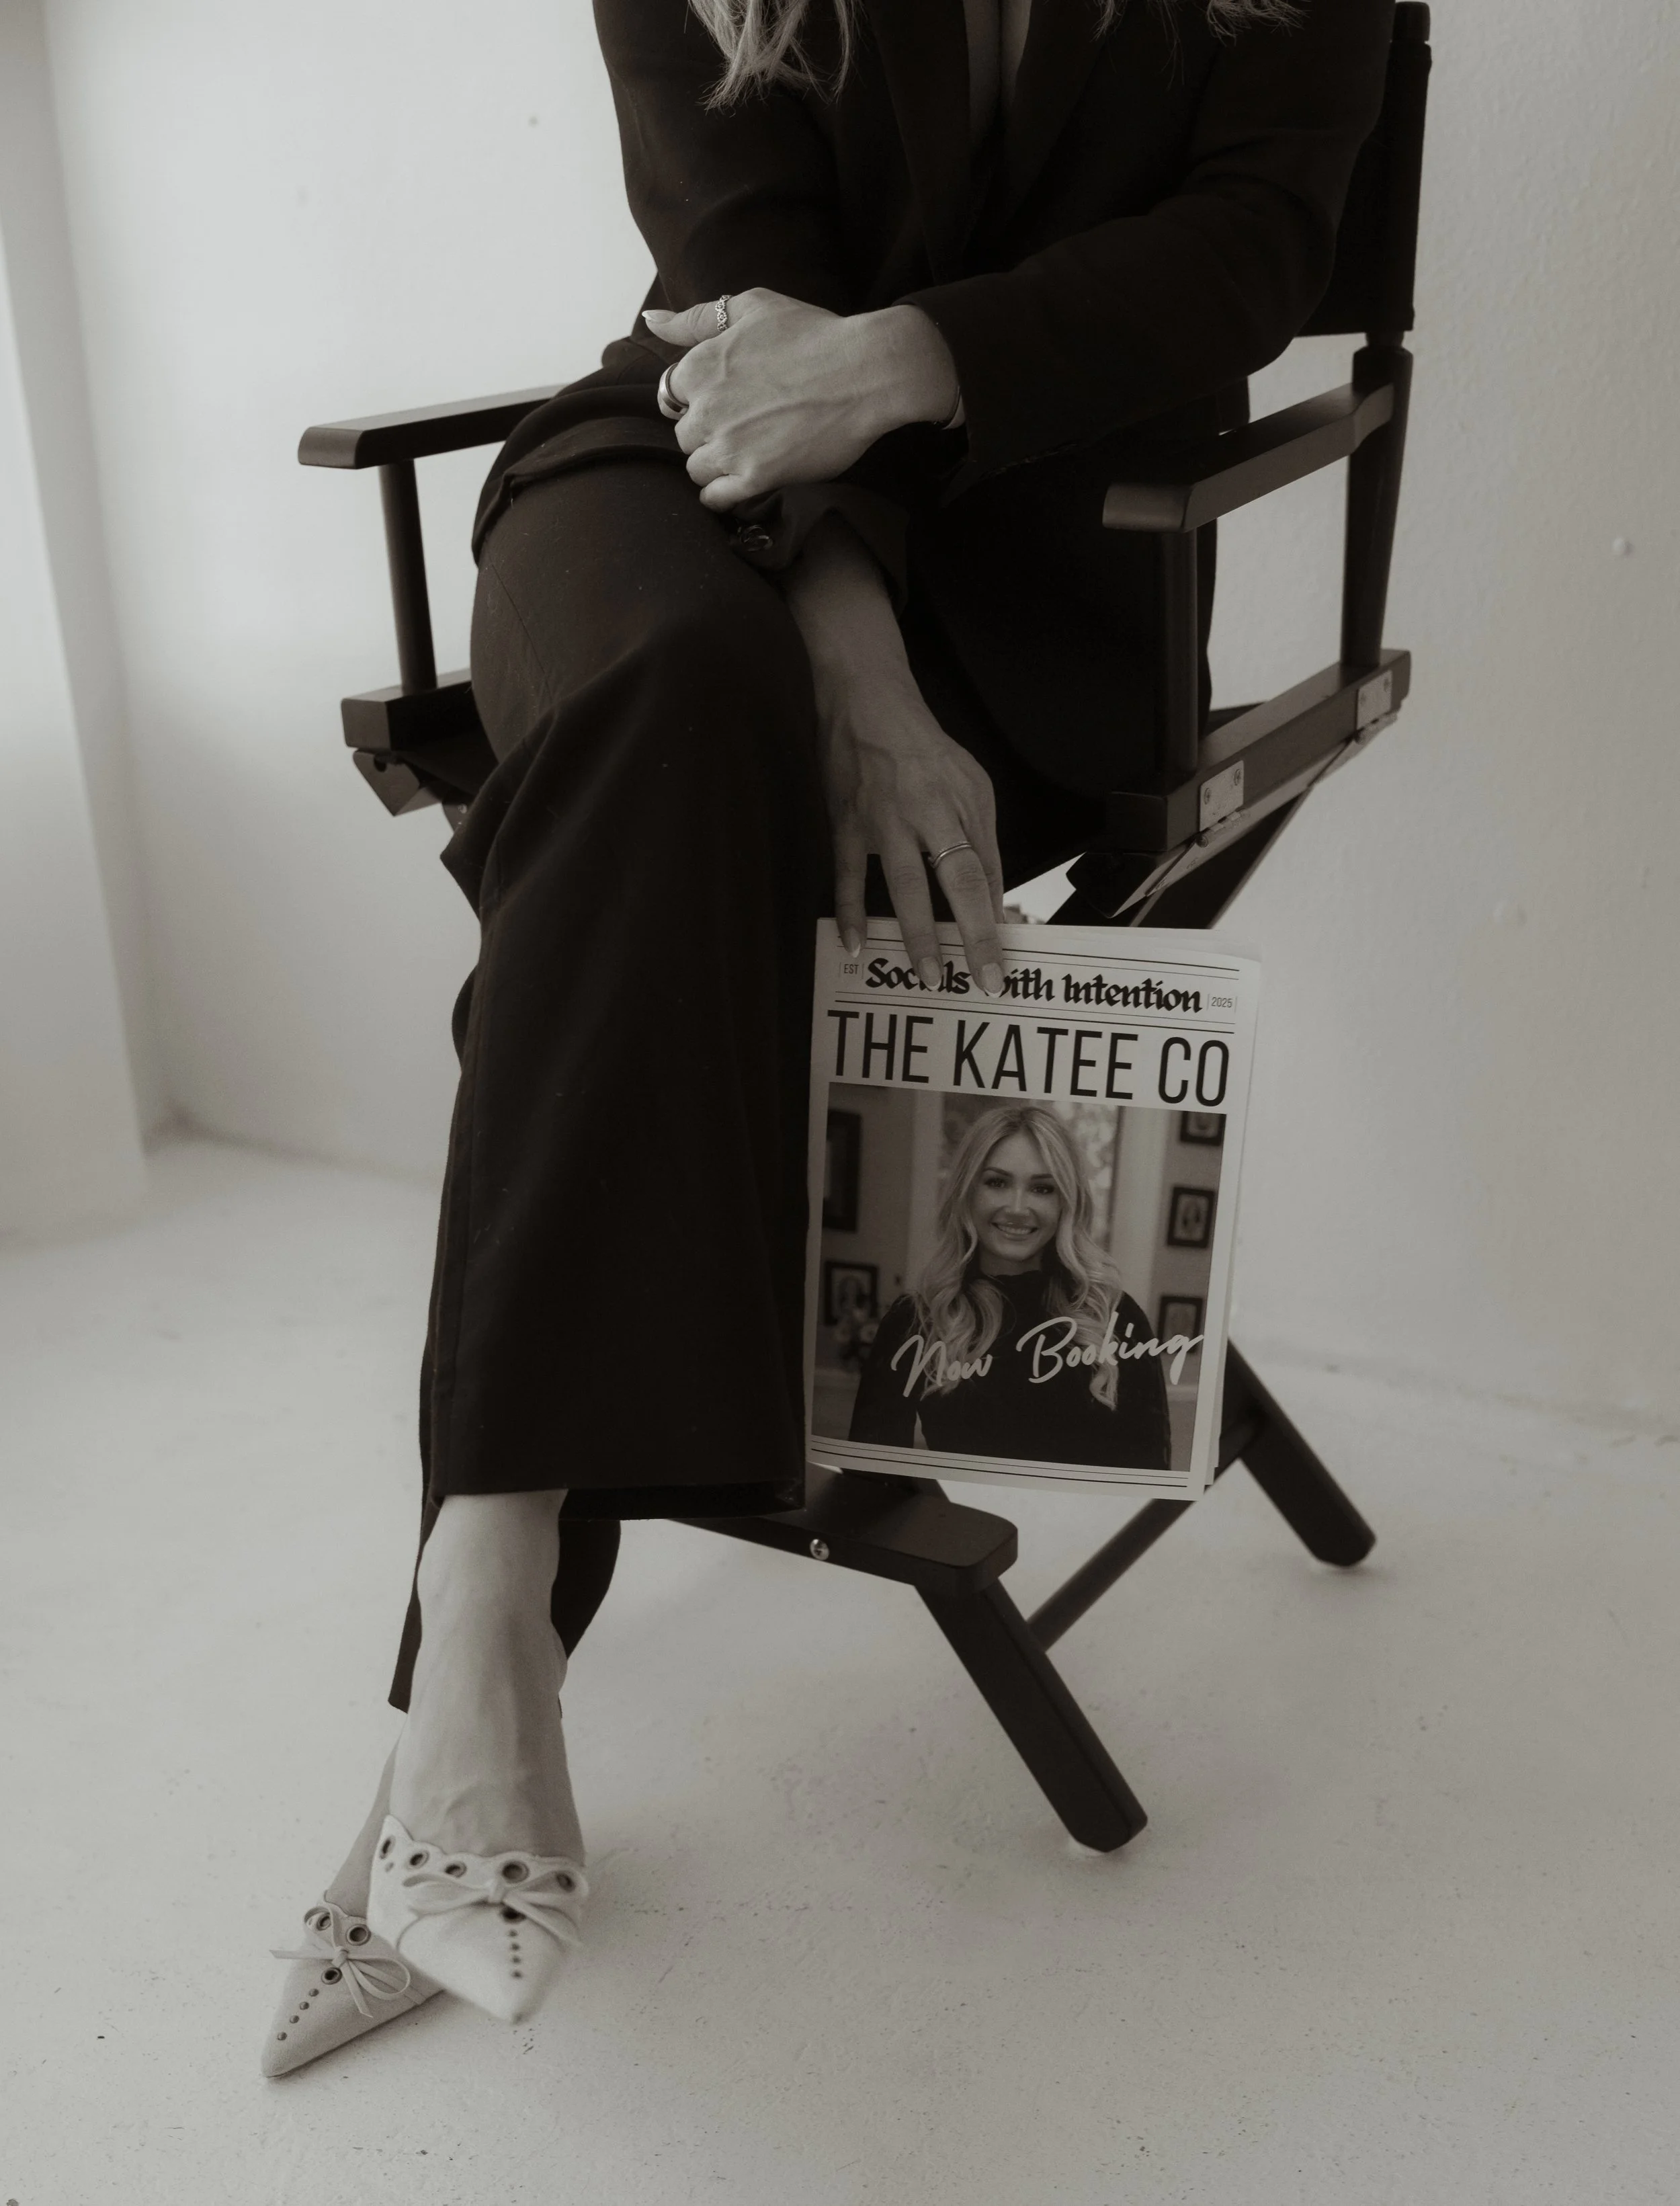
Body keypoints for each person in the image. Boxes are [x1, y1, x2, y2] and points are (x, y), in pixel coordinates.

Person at [262, 0, 1396, 2073]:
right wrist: (849, 670)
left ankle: (464, 1645)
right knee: (680, 727)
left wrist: (895, 361)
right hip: (674, 472)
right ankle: (489, 1631)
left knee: (645, 835)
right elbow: (725, 276)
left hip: (1048, 550)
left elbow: (1250, 249)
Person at [847, 1105, 1171, 1469]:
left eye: (1042, 1188)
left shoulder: (1115, 1317)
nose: (1018, 1208)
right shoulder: (915, 1321)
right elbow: (870, 1477)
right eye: (997, 1182)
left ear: (1066, 1202)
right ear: (967, 1192)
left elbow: (1149, 1475)